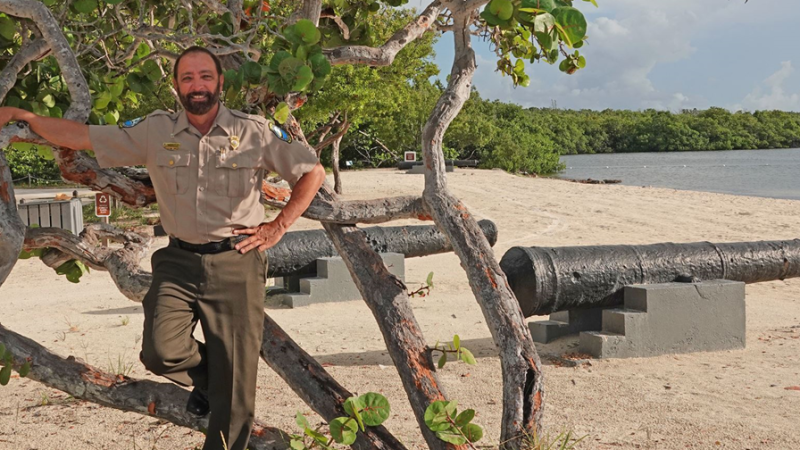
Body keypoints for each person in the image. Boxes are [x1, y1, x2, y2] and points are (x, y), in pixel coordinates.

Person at [0, 46, 326, 450]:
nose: (197, 85)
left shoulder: (254, 130)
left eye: (205, 76)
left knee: (236, 396)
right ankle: (213, 382)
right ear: (176, 86)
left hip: (236, 261)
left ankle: (225, 403)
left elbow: (312, 171)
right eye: (187, 78)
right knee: (160, 351)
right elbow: (84, 138)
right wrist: (24, 117)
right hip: (178, 259)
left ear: (220, 82)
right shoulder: (155, 130)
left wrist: (278, 227)